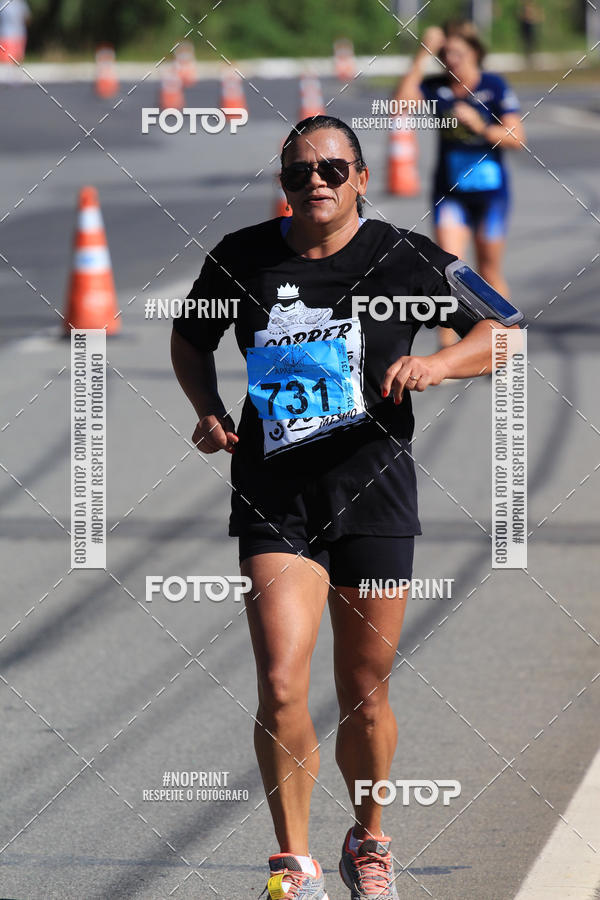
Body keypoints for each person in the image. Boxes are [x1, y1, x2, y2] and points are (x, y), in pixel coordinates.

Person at [171, 115, 516, 899]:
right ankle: (292, 864)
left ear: (361, 177)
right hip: (274, 497)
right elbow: (191, 340)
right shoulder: (242, 258)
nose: (316, 183)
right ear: (283, 185)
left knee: (365, 689)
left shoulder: (405, 256)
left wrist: (439, 363)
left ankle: (370, 837)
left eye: (332, 169)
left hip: (373, 494)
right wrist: (210, 406)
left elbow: (503, 331)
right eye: (299, 173)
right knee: (283, 684)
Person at [395, 21, 525, 346]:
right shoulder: (437, 86)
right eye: (445, 54)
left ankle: (504, 346)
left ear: (475, 53)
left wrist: (481, 127)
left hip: (491, 195)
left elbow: (516, 137)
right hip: (450, 193)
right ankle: (448, 350)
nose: (452, 60)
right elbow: (399, 106)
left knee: (488, 271)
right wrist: (422, 54)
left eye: (459, 53)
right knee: (449, 273)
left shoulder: (493, 86)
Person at [0, 0, 30, 66]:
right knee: (7, 62)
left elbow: (27, 18)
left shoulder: (20, 3)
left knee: (14, 62)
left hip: (16, 36)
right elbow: (27, 18)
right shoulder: (20, 3)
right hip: (7, 36)